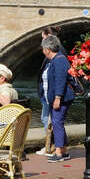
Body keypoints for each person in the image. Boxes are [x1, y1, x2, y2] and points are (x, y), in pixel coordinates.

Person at [41, 35, 76, 162]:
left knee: (57, 123)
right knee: (57, 123)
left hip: (61, 98)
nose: (42, 50)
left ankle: (59, 152)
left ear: (48, 49)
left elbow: (60, 81)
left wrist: (57, 98)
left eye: (43, 48)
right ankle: (64, 151)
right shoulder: (54, 60)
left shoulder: (59, 60)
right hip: (53, 98)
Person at [36, 28, 58, 156]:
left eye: (43, 37)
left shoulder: (56, 55)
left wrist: (57, 96)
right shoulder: (52, 55)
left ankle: (53, 147)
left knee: (50, 121)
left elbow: (58, 77)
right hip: (46, 95)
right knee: (49, 120)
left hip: (51, 95)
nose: (42, 41)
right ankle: (53, 146)